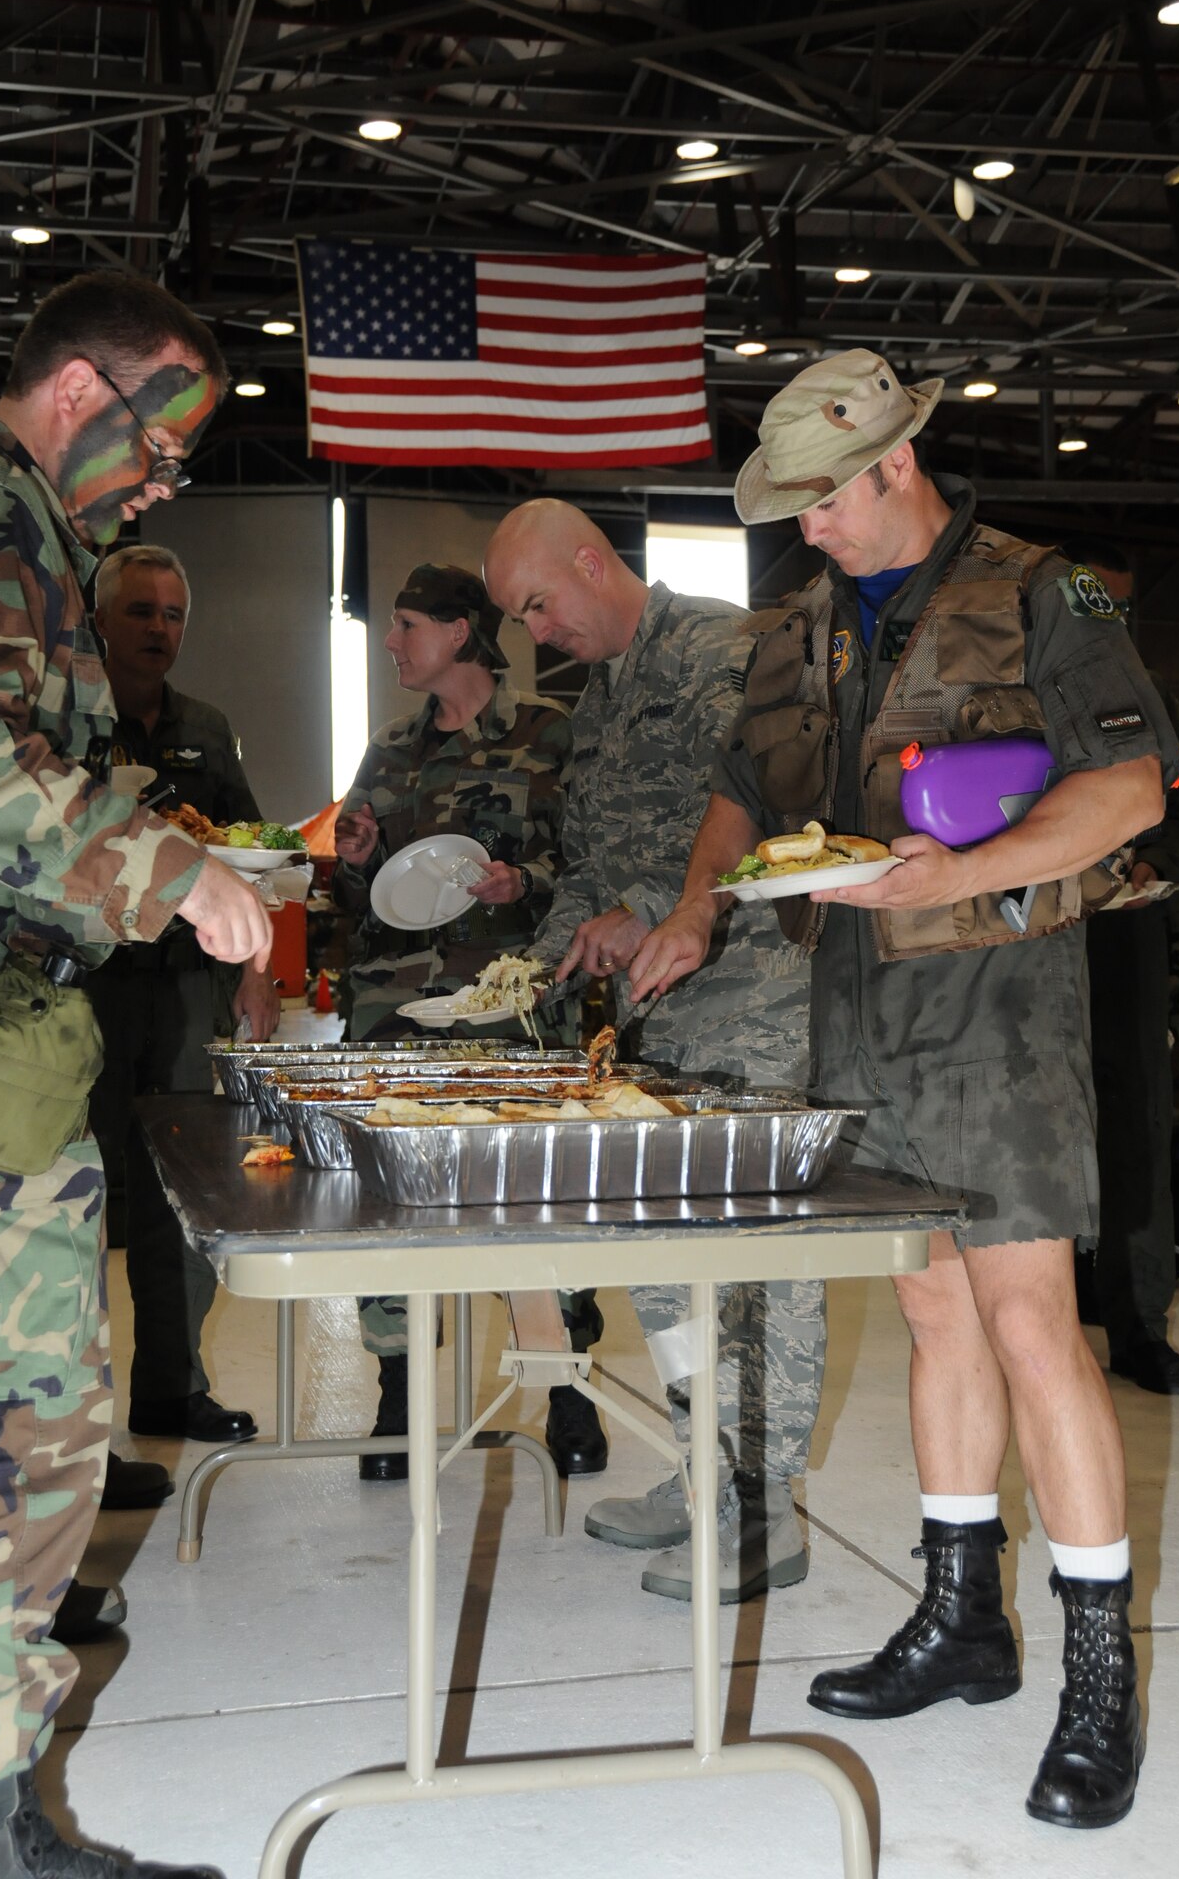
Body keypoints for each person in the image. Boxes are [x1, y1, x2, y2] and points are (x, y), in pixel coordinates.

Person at [630, 347, 1179, 1828]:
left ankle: (1096, 1675)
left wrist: (965, 869)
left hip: (998, 1002)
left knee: (1028, 1324)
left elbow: (1133, 785)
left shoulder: (1044, 592)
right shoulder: (797, 625)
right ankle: (963, 1618)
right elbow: (746, 790)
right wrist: (695, 908)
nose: (803, 528)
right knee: (932, 1306)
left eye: (821, 501)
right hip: (854, 1002)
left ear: (893, 465)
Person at [0, 269, 272, 1879]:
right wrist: (164, 870)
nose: (168, 479)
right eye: (164, 441)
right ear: (86, 390)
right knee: (14, 1428)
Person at [483, 503, 824, 1606]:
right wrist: (533, 971)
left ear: (592, 562)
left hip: (749, 996)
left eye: (538, 602)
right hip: (648, 1020)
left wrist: (645, 904)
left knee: (753, 1263)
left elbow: (769, 810)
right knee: (665, 1265)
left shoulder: (723, 650)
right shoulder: (601, 699)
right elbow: (591, 863)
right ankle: (703, 1475)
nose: (535, 631)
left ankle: (762, 1511)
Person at [333, 563, 605, 1480]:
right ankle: (399, 1392)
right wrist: (357, 856)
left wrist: (522, 882)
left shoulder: (548, 736)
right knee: (392, 1202)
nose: (392, 642)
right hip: (395, 1007)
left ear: (457, 633)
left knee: (537, 1195)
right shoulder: (388, 751)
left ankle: (567, 1388)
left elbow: (600, 870)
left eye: (404, 624)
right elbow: (355, 895)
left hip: (509, 1000)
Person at [89, 543, 277, 1446]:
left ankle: (170, 1385)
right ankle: (73, 1421)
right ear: (99, 619)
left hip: (182, 992)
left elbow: (250, 850)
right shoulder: (67, 715)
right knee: (76, 1197)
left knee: (179, 1192)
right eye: (140, 611)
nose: (159, 629)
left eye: (172, 615)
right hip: (77, 992)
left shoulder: (206, 722)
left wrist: (257, 975)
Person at [1072, 541, 1179, 1394]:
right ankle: (1074, 1288)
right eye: (1089, 602)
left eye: (1116, 605)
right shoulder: (1013, 693)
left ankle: (1139, 1325)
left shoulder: (1157, 703)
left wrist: (1153, 864)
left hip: (1123, 937)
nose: (1102, 620)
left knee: (1136, 1126)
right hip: (1021, 934)